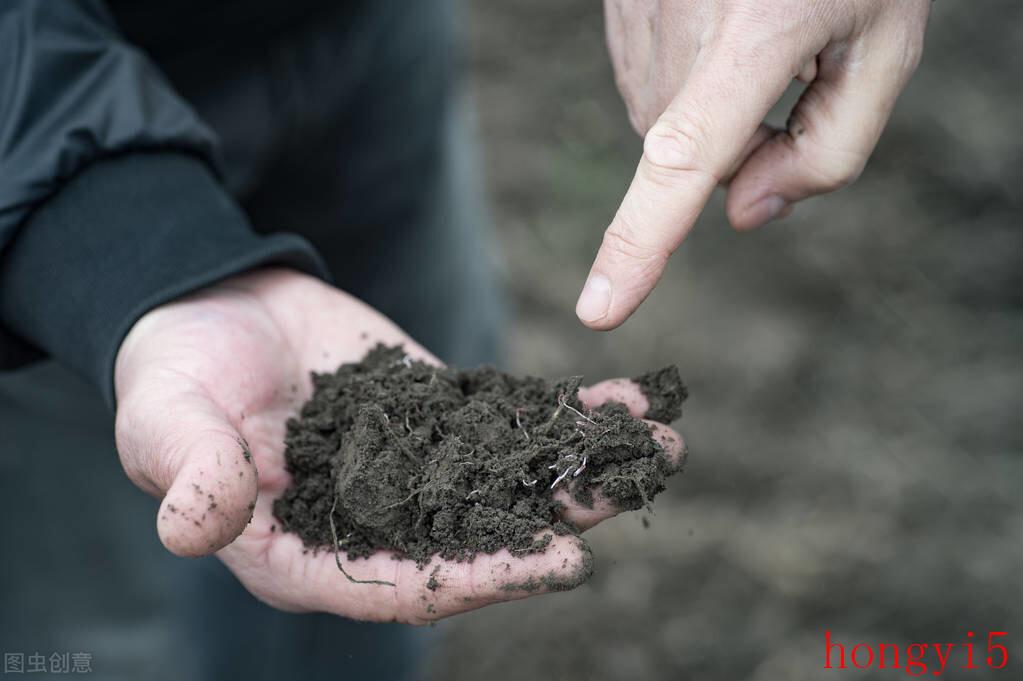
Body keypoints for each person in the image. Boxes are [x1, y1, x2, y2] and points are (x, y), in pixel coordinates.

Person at [0, 0, 929, 679]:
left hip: (356, 41)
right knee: (110, 629)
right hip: (34, 160)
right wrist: (103, 238)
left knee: (368, 607)